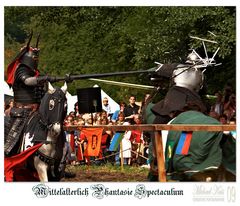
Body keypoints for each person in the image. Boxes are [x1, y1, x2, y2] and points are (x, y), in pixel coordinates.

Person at [4, 33, 56, 156]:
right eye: (34, 56)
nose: (36, 59)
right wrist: (45, 78)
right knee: (10, 145)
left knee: (55, 132)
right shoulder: (21, 69)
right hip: (21, 113)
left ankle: (57, 164)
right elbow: (27, 81)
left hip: (38, 112)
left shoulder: (36, 73)